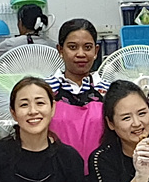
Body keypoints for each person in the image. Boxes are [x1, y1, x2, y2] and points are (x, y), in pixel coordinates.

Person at [47, 18, 110, 159]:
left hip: (101, 168)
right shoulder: (45, 90)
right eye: (73, 47)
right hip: (55, 168)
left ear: (96, 51)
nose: (81, 54)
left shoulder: (109, 91)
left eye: (87, 47)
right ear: (60, 50)